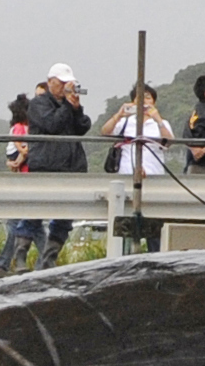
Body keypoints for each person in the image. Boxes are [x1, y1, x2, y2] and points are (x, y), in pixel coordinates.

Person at [11, 66, 91, 269]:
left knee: (64, 218)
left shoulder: (68, 105)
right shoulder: (38, 104)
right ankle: (20, 255)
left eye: (68, 82)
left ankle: (49, 259)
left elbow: (82, 126)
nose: (65, 86)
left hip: (71, 167)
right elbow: (52, 124)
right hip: (46, 166)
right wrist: (66, 107)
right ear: (50, 82)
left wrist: (76, 108)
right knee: (34, 211)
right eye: (62, 82)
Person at [107, 83, 172, 253]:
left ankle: (156, 262)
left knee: (154, 226)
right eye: (139, 98)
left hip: (154, 178)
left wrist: (157, 119)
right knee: (126, 225)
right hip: (127, 177)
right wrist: (119, 114)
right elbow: (105, 133)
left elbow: (169, 142)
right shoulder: (126, 122)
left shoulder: (162, 123)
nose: (144, 102)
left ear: (154, 102)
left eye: (148, 97)